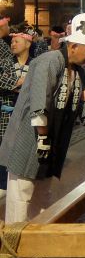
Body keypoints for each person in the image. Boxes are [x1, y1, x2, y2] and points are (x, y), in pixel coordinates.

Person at [0, 13, 85, 223]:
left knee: (42, 196)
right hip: (29, 138)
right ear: (74, 47)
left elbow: (84, 100)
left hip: (50, 139)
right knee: (21, 195)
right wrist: (42, 136)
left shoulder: (75, 70)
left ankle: (38, 238)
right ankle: (15, 241)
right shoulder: (49, 61)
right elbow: (39, 99)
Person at [0, 25, 34, 201]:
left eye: (16, 41)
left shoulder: (35, 63)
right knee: (3, 148)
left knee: (20, 148)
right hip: (5, 114)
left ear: (27, 44)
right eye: (12, 41)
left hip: (25, 114)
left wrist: (17, 84)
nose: (12, 44)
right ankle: (2, 184)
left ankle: (16, 183)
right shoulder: (5, 62)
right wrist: (21, 81)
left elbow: (37, 85)